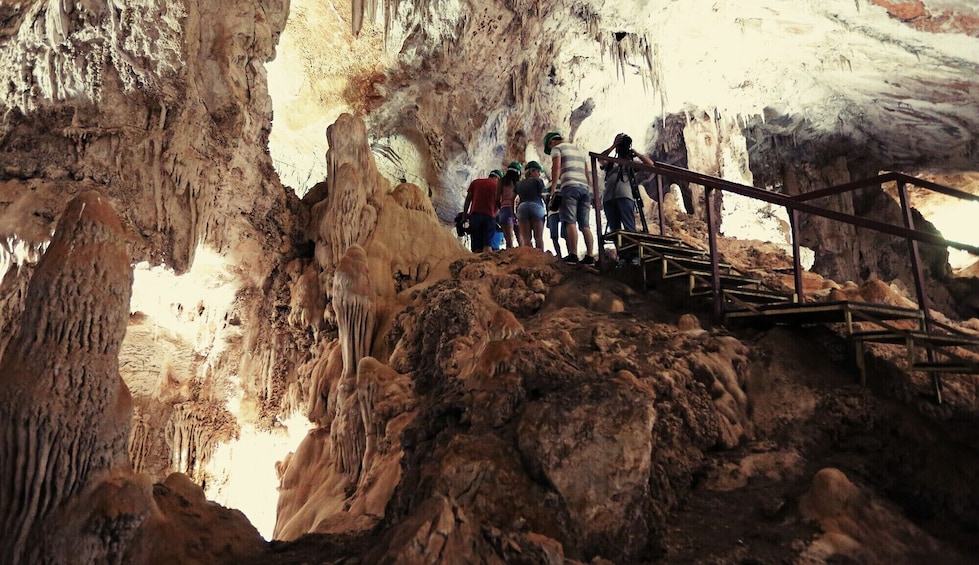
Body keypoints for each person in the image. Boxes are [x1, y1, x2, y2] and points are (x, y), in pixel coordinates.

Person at [543, 131, 595, 265]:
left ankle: (573, 254)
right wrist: (588, 188)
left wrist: (554, 189)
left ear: (551, 142)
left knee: (570, 221)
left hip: (570, 187)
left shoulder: (557, 148)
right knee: (585, 225)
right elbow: (586, 171)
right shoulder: (577, 149)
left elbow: (556, 167)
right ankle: (590, 256)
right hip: (584, 188)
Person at [463, 170, 501, 252]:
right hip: (489, 217)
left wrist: (465, 215)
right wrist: (494, 214)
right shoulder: (497, 186)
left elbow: (468, 199)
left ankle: (476, 264)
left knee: (476, 247)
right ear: (498, 178)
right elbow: (499, 204)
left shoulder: (476, 182)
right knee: (487, 245)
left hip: (475, 216)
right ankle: (486, 264)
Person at [514, 160, 547, 249]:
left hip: (522, 208)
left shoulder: (519, 184)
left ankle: (528, 260)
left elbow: (512, 199)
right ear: (531, 171)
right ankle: (540, 258)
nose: (539, 174)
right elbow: (544, 196)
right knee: (538, 237)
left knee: (526, 239)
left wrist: (513, 212)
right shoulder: (538, 181)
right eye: (538, 171)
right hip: (536, 207)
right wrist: (548, 209)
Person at [497, 162, 521, 249]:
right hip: (517, 210)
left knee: (509, 242)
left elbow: (496, 198)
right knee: (521, 241)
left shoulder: (502, 181)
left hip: (505, 210)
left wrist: (501, 208)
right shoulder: (519, 183)